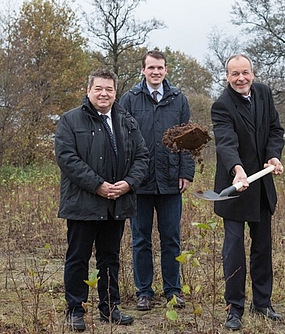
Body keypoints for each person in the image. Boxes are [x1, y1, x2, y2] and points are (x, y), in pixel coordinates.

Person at [55, 69, 149, 331]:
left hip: (116, 204)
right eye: (98, 88)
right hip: (82, 204)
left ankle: (110, 307)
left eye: (108, 89)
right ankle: (75, 309)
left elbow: (142, 157)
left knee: (110, 258)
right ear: (89, 91)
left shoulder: (127, 121)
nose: (103, 93)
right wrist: (97, 186)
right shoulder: (70, 120)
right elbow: (67, 159)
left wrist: (129, 183)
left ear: (115, 92)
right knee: (78, 258)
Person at [211, 54, 285, 331]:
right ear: (227, 76)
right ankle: (235, 308)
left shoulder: (264, 94)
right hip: (236, 186)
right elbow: (226, 142)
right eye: (234, 74)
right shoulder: (221, 105)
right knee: (234, 250)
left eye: (245, 73)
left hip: (262, 185)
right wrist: (237, 170)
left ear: (253, 73)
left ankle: (263, 303)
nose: (240, 78)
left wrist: (273, 156)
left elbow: (276, 130)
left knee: (262, 247)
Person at [119, 50, 195, 312]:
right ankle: (144, 292)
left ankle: (173, 291)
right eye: (150, 68)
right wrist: (128, 178)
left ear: (166, 70)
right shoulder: (129, 99)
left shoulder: (178, 99)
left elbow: (189, 139)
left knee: (171, 238)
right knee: (140, 240)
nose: (155, 72)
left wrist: (186, 172)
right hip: (139, 183)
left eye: (160, 68)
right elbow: (123, 140)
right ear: (143, 70)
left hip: (171, 180)